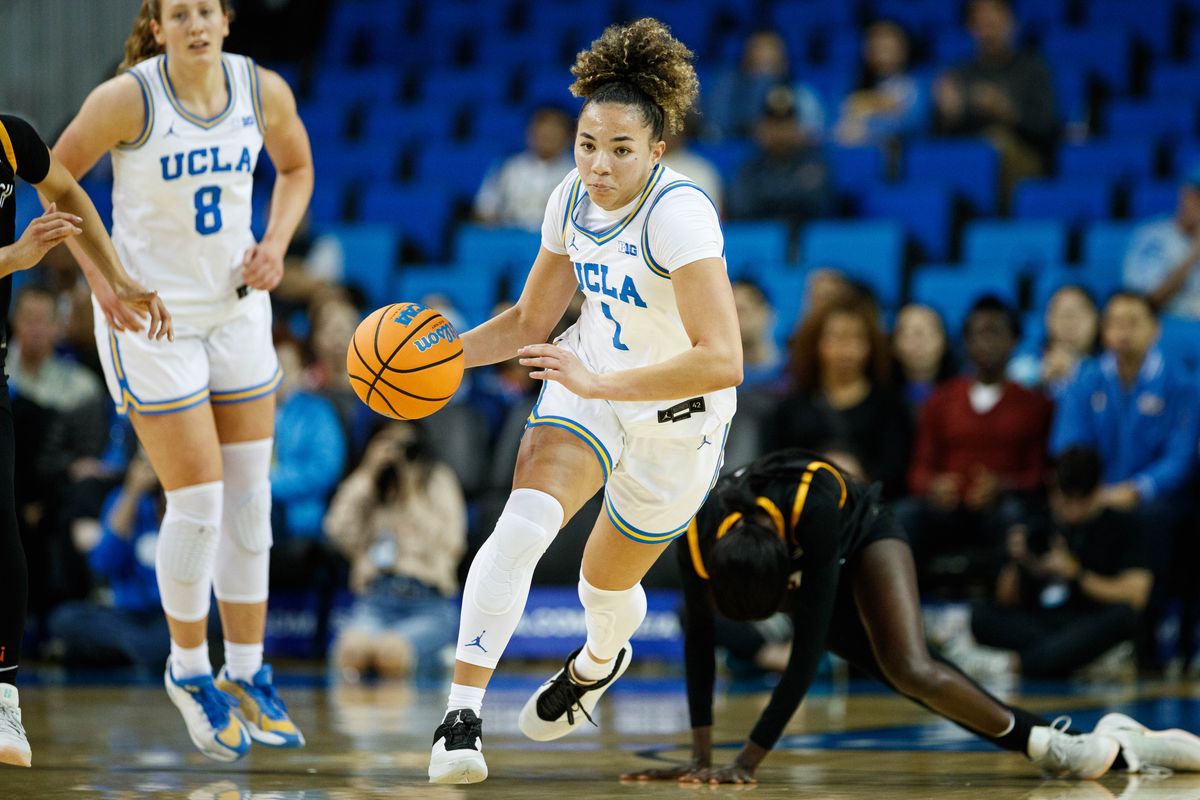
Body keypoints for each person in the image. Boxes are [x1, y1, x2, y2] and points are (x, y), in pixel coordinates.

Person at [426, 18, 742, 784]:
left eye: (621, 149)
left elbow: (723, 359)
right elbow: (534, 321)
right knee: (523, 524)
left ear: (657, 149)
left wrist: (607, 385)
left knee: (603, 588)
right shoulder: (570, 198)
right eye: (587, 144)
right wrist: (440, 358)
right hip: (588, 380)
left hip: (678, 417)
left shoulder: (681, 213)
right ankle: (460, 720)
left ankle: (600, 661)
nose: (598, 166)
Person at [52, 0, 313, 762]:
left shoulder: (261, 89)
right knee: (197, 502)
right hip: (152, 316)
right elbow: (54, 176)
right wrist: (100, 280)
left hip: (235, 309)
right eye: (178, 13)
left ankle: (247, 671)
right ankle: (190, 669)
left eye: (206, 9)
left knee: (252, 499)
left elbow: (296, 167)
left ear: (226, 20)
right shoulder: (127, 97)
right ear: (158, 27)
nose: (195, 22)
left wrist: (276, 241)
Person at [621, 449, 1200, 785]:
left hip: (863, 531)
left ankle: (1060, 743)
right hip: (794, 561)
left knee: (911, 666)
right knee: (908, 678)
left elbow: (805, 653)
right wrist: (699, 759)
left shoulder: (813, 507)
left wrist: (745, 763)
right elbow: (699, 645)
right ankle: (1067, 744)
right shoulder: (692, 544)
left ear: (787, 574)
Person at [0, 112, 170, 769]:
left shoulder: (11, 137)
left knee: (2, 527)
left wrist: (115, 274)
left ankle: (5, 697)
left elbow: (68, 191)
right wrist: (16, 257)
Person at [1050, 291, 1199, 671]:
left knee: (1155, 519)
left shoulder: (1182, 384)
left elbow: (1180, 459)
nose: (1122, 332)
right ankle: (1068, 626)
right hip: (1094, 494)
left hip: (1153, 499)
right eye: (1114, 323)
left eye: (1133, 322)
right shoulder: (1087, 378)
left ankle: (1150, 639)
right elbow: (1069, 441)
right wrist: (1087, 489)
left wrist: (1133, 490)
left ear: (1155, 330)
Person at [900, 296, 1053, 595]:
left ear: (1014, 341)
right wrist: (934, 486)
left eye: (995, 332)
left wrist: (1004, 486)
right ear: (965, 341)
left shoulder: (1035, 404)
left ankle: (1001, 610)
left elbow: (1039, 474)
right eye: (976, 333)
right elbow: (919, 469)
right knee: (903, 516)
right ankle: (900, 609)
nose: (985, 342)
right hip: (949, 507)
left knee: (1014, 517)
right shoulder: (941, 400)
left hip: (1002, 507)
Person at [966, 447, 1152, 679]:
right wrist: (1018, 562)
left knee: (1122, 617)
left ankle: (1017, 664)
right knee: (981, 615)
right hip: (1045, 622)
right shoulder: (1035, 522)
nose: (1071, 510)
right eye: (1064, 499)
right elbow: (1005, 599)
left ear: (1098, 491)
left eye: (1080, 501)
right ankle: (1075, 658)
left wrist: (1077, 574)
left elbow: (1136, 596)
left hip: (1089, 617)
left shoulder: (1126, 524)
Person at [324, 423, 466, 680]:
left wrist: (410, 493)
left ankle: (434, 655)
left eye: (404, 447)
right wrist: (368, 472)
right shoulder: (369, 486)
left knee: (390, 654)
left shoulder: (438, 479)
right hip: (376, 599)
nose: (395, 453)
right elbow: (336, 530)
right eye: (387, 444)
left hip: (427, 603)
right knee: (351, 654)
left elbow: (451, 544)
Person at [772, 295, 911, 498]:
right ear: (816, 342)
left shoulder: (890, 407)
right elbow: (775, 470)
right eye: (836, 337)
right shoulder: (791, 408)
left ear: (871, 344)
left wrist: (859, 478)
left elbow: (897, 474)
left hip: (868, 513)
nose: (846, 350)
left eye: (856, 338)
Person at [47, 451, 172, 671]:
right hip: (128, 616)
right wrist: (132, 493)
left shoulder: (194, 506)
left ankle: (134, 652)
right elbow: (102, 563)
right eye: (143, 462)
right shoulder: (123, 499)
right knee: (65, 618)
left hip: (178, 620)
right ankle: (147, 652)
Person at [933, 0, 1058, 198]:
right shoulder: (960, 74)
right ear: (971, 29)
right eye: (980, 24)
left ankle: (1003, 219)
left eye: (994, 23)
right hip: (970, 157)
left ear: (1012, 24)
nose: (988, 31)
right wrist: (948, 115)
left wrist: (1007, 112)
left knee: (997, 142)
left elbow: (1046, 127)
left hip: (1024, 156)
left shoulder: (1033, 68)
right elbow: (942, 139)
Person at [727, 84, 831, 227]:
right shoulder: (749, 168)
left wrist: (767, 195)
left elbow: (820, 205)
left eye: (785, 124)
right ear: (760, 128)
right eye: (773, 124)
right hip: (761, 242)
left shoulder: (816, 163)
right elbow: (742, 210)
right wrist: (795, 192)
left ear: (797, 127)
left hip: (809, 243)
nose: (780, 133)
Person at [473, 106, 575, 232]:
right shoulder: (508, 167)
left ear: (568, 136)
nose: (547, 136)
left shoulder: (577, 173)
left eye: (554, 130)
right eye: (541, 130)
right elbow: (485, 208)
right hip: (510, 240)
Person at [834, 20, 927, 148]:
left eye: (887, 44)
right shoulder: (853, 87)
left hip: (902, 158)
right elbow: (839, 127)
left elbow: (913, 123)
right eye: (874, 43)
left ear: (904, 47)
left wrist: (869, 130)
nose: (880, 48)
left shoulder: (916, 86)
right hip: (859, 159)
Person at [1122, 166, 1200, 319]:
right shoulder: (1152, 237)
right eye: (1197, 196)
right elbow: (1147, 302)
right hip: (1164, 327)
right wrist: (1195, 253)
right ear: (1186, 195)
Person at [1009, 284, 1100, 398]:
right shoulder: (1027, 365)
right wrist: (1039, 376)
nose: (1069, 322)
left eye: (1078, 313)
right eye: (1061, 313)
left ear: (1096, 319)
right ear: (1047, 320)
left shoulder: (1110, 369)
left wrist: (1075, 369)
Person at [891, 303, 956, 416]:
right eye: (907, 333)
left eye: (926, 333)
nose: (917, 343)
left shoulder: (963, 396)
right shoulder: (878, 397)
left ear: (945, 341)